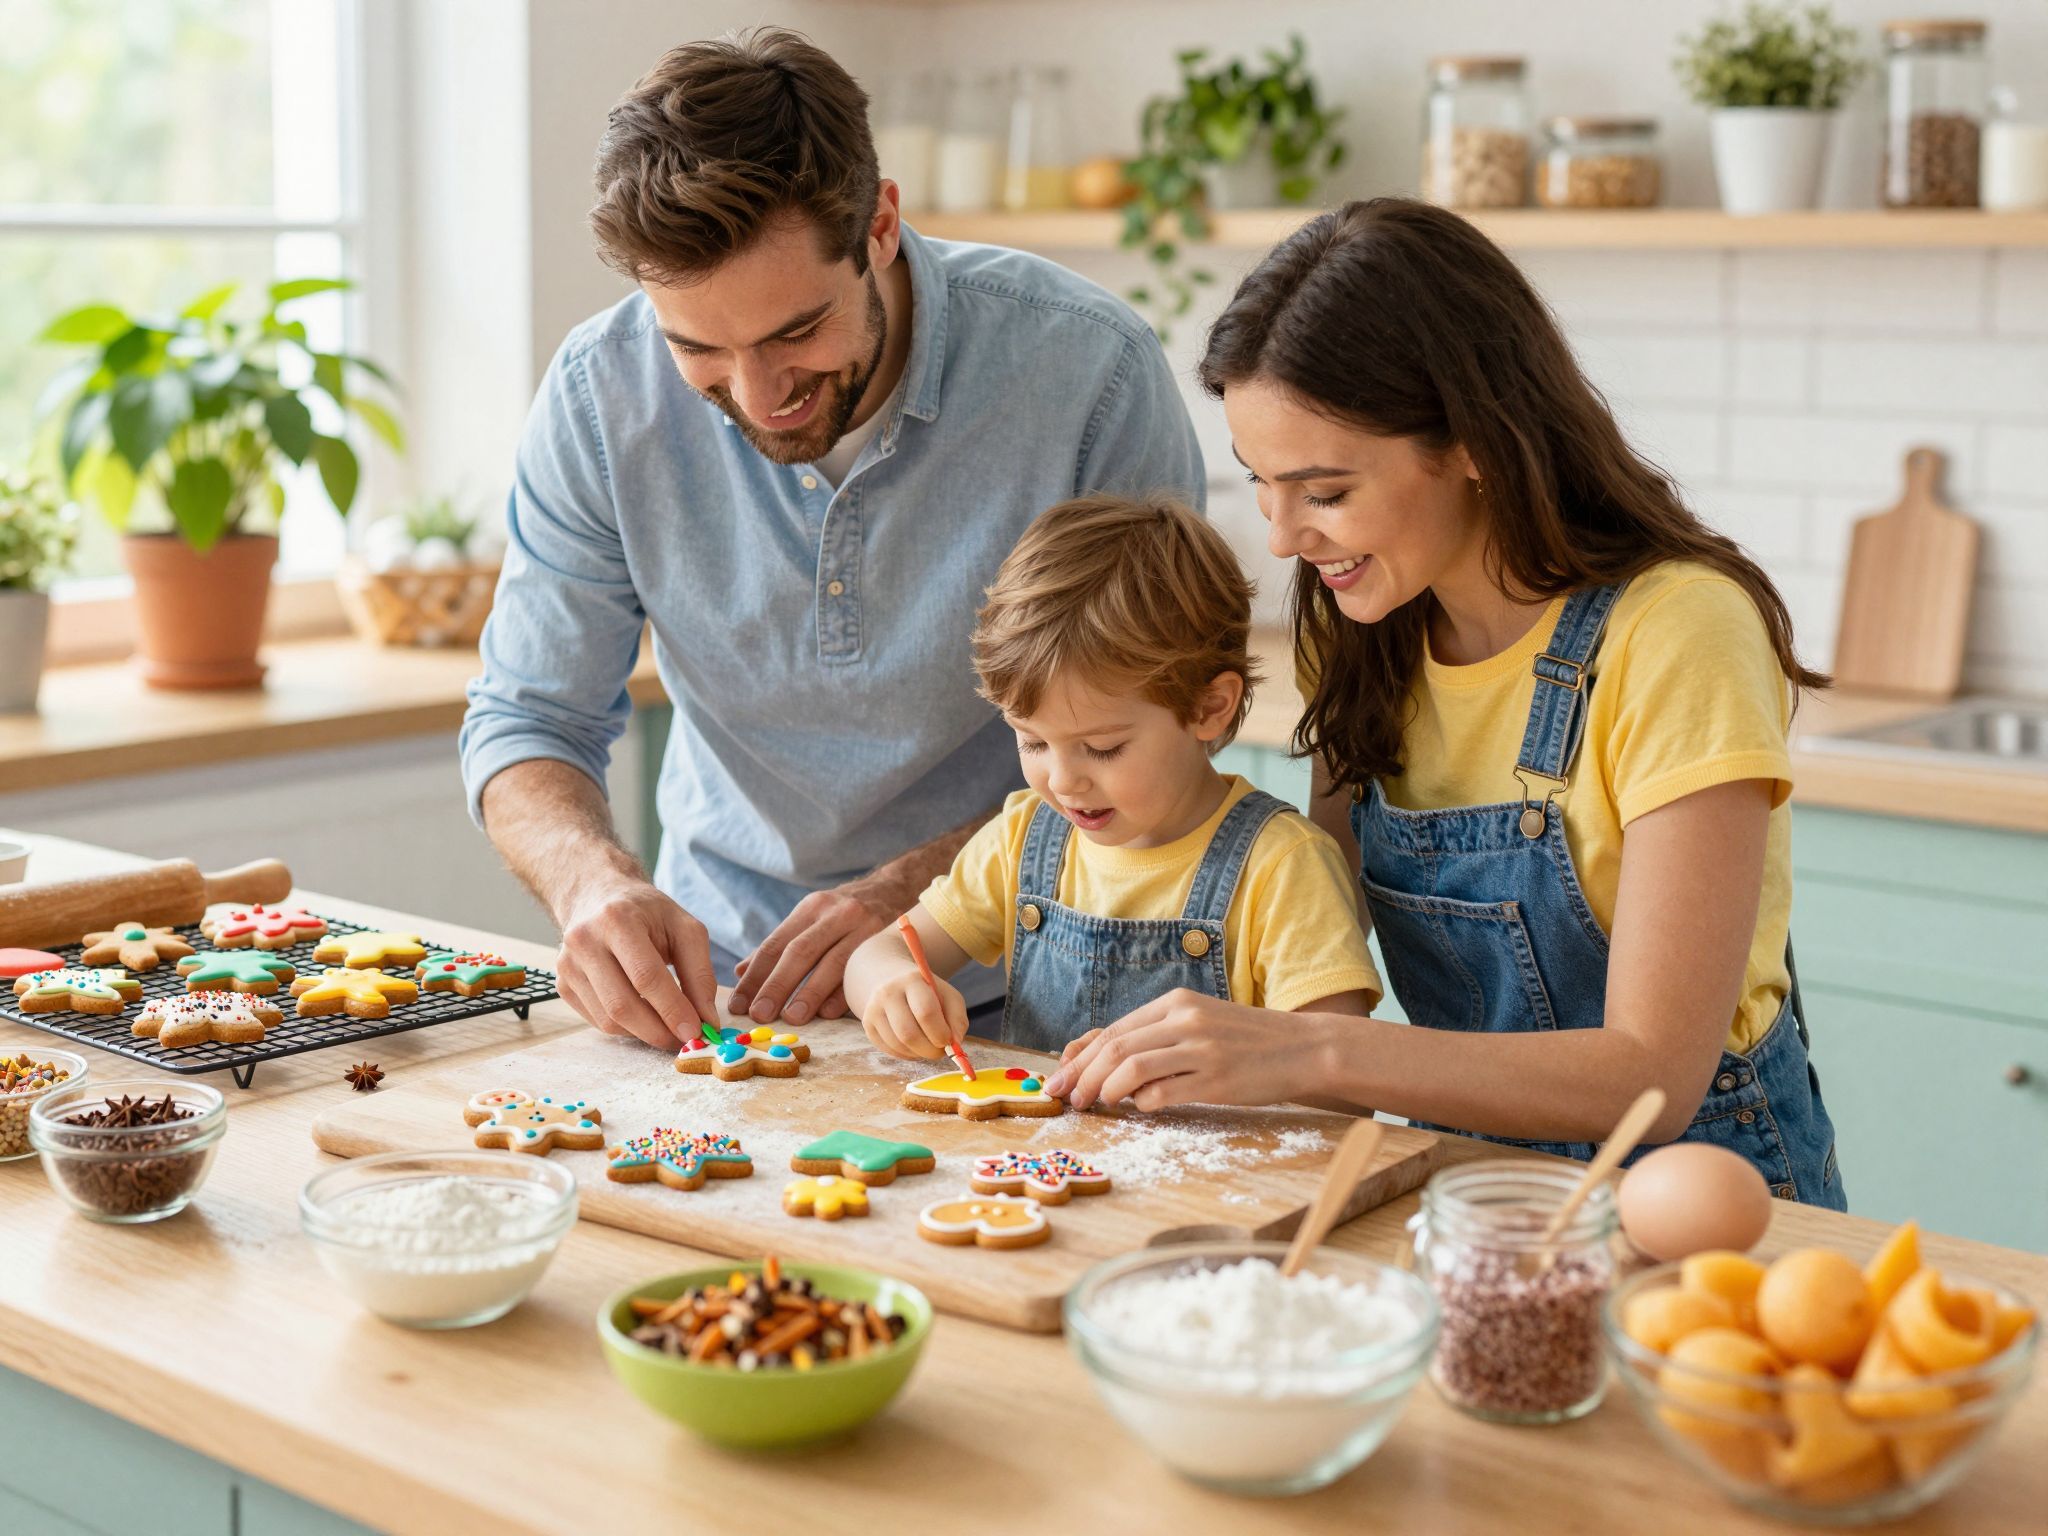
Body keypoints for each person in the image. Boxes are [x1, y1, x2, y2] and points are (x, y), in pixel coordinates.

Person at [1046, 199, 1846, 1208]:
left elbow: (1653, 1075)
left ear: (1473, 441)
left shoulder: (1678, 632)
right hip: (1467, 1191)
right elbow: (1314, 913)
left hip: (1702, 1199)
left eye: (1324, 492)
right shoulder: (1363, 625)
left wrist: (1312, 1051)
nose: (1284, 537)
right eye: (1260, 483)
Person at [459, 30, 1203, 1050]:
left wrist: (914, 902)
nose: (759, 396)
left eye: (795, 334)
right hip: (721, 999)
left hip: (1039, 996)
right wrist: (590, 884)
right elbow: (527, 717)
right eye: (698, 349)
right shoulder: (599, 394)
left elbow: (1164, 729)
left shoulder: (1089, 374)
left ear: (881, 226)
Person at [843, 494, 1380, 1057]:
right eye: (1033, 741)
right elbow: (877, 953)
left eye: (1102, 748)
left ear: (1209, 708)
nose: (1063, 781)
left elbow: (1340, 1070)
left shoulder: (1282, 867)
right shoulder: (1023, 839)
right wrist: (891, 984)